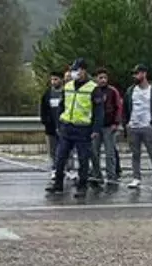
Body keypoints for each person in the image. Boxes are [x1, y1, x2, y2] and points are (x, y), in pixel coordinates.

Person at [46, 58, 102, 198]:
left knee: (83, 159)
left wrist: (95, 129)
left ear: (84, 70)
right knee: (60, 158)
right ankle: (58, 184)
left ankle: (82, 186)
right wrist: (59, 123)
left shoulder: (93, 88)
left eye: (77, 70)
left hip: (83, 128)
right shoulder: (68, 86)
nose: (74, 73)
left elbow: (98, 111)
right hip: (67, 127)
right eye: (73, 70)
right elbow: (62, 105)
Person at [123, 64, 152, 190]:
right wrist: (126, 123)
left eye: (137, 73)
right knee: (135, 154)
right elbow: (126, 108)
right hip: (133, 126)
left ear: (144, 74)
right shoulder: (130, 90)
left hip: (148, 127)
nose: (135, 76)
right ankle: (136, 178)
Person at [90, 67, 123, 190]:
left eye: (105, 78)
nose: (103, 80)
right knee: (94, 153)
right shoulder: (93, 91)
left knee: (110, 154)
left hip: (109, 127)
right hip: (96, 128)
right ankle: (96, 176)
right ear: (96, 79)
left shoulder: (112, 91)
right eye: (100, 78)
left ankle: (111, 177)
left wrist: (116, 123)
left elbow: (118, 107)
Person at [40, 71, 65, 180]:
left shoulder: (65, 93)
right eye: (52, 80)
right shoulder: (47, 94)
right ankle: (55, 169)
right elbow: (43, 111)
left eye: (56, 79)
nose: (53, 82)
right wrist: (46, 122)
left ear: (61, 80)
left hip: (64, 127)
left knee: (65, 150)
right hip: (51, 129)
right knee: (53, 151)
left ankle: (68, 169)